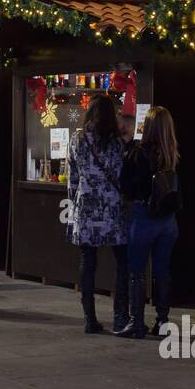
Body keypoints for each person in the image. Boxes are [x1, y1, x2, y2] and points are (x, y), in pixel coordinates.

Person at [66, 96, 128, 334]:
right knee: (122, 261)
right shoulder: (115, 142)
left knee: (87, 262)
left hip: (86, 207)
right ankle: (120, 315)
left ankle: (89, 318)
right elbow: (121, 173)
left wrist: (75, 200)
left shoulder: (77, 139)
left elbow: (72, 177)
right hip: (112, 207)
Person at [118, 106, 181, 339]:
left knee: (137, 272)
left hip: (143, 216)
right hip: (167, 220)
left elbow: (125, 186)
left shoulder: (138, 153)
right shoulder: (172, 154)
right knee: (162, 272)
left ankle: (136, 321)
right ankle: (163, 321)